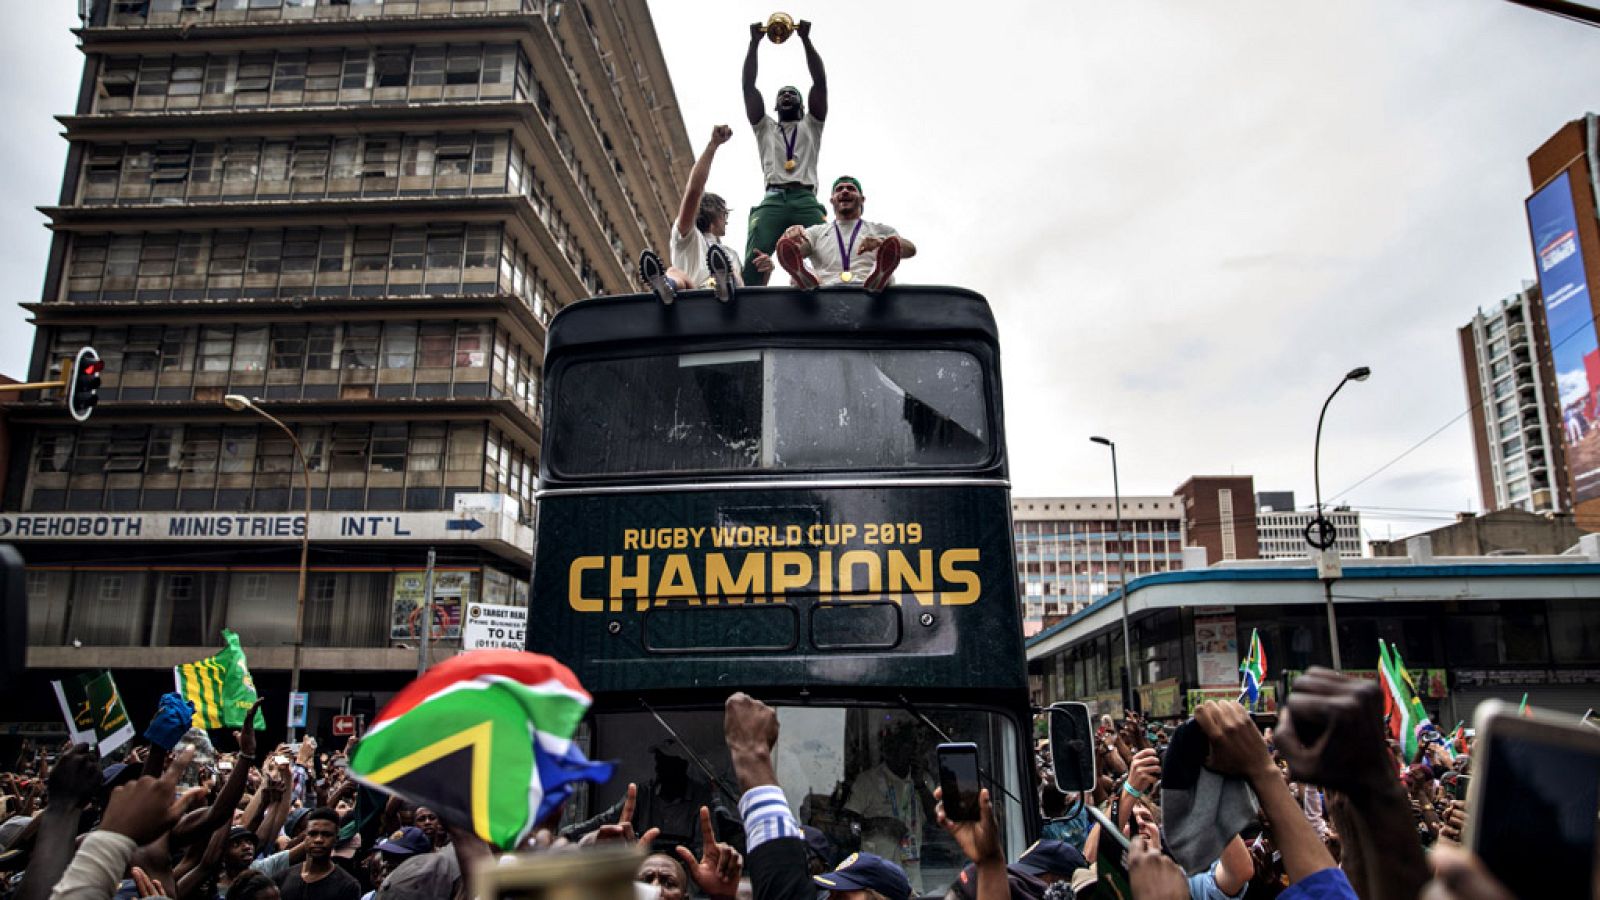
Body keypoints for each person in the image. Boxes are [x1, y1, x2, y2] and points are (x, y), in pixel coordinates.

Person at [740, 18, 828, 286]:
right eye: (781, 94)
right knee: (756, 251)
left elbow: (820, 83)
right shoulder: (765, 127)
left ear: (801, 105)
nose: (786, 96)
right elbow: (748, 87)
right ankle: (749, 301)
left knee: (828, 245)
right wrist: (754, 44)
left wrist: (806, 40)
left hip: (805, 198)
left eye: (792, 93)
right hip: (774, 198)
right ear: (775, 106)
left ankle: (831, 288)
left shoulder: (812, 124)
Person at [639, 125, 768, 305]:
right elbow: (694, 190)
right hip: (693, 298)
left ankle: (723, 283)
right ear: (713, 212)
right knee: (674, 272)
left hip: (728, 300)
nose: (726, 222)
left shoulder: (730, 254)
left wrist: (766, 273)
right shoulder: (687, 237)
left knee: (734, 274)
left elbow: (748, 293)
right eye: (725, 215)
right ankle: (666, 287)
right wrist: (713, 146)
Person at [774, 177, 916, 293]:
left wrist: (881, 242)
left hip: (865, 285)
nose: (845, 191)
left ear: (862, 199)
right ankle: (807, 278)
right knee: (795, 279)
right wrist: (790, 237)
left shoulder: (879, 230)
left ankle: (878, 276)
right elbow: (791, 252)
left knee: (888, 277)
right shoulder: (816, 231)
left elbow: (910, 250)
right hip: (825, 288)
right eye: (839, 189)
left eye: (851, 188)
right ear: (832, 200)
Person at [842, 721, 935, 892]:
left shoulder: (923, 781)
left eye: (909, 746)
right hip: (876, 882)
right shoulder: (867, 781)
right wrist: (879, 825)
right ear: (887, 749)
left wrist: (920, 784)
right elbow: (848, 825)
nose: (904, 751)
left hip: (912, 882)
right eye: (898, 745)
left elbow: (937, 821)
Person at [276, 808, 360, 900]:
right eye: (313, 834)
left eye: (326, 834)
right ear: (305, 837)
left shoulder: (348, 886)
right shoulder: (283, 878)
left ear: (336, 839)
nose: (318, 840)